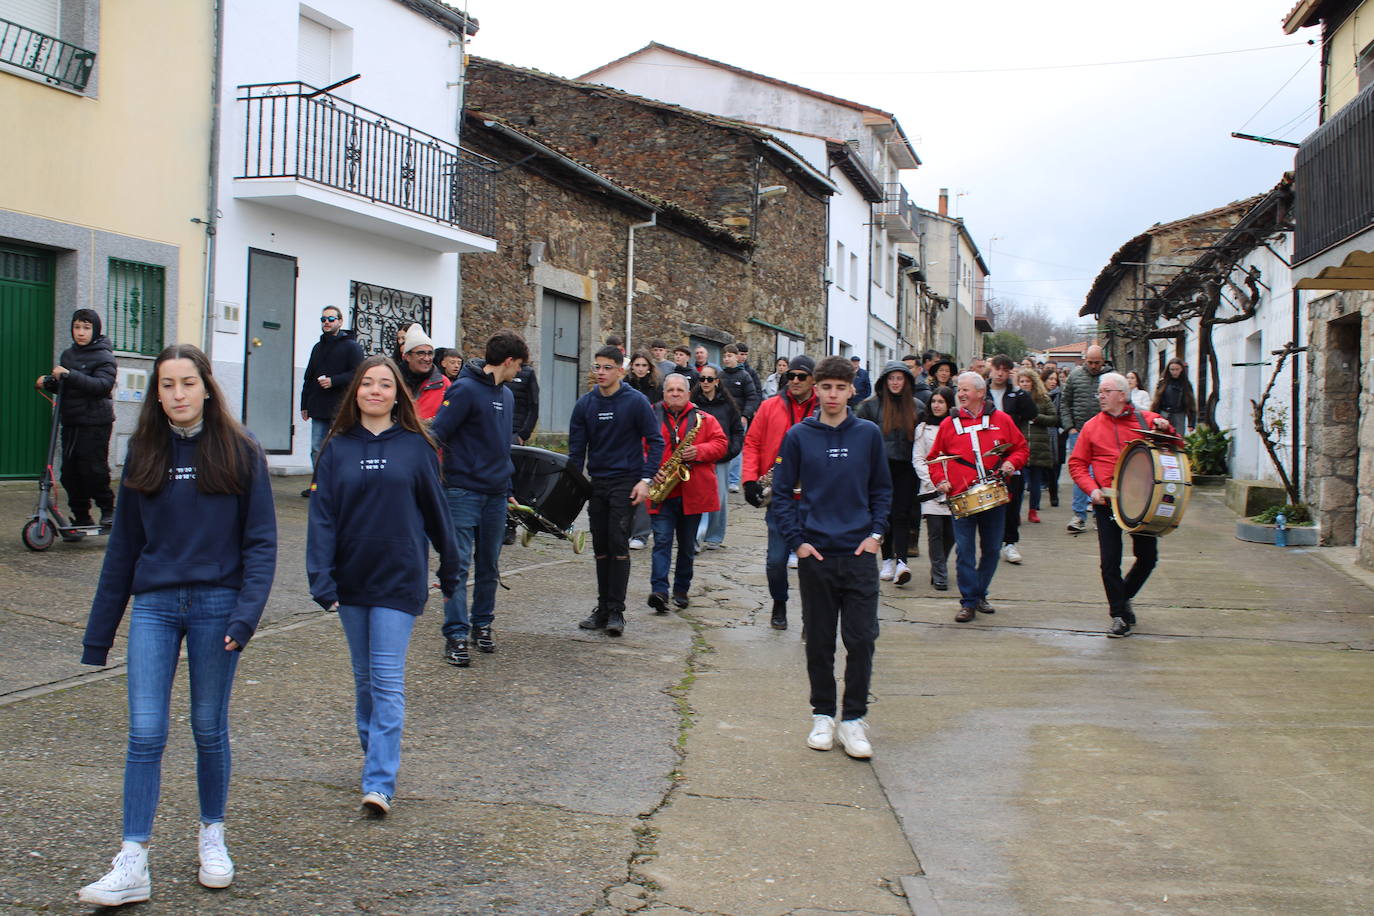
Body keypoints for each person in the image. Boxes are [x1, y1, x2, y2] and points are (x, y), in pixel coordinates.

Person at [78, 345, 276, 906]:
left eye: (188, 383)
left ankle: (212, 834)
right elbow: (123, 551)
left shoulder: (241, 451)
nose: (179, 394)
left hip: (219, 607)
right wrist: (100, 635)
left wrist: (247, 615)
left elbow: (261, 542)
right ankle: (133, 857)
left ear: (207, 387)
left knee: (208, 726)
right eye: (167, 385)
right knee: (145, 731)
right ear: (156, 392)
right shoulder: (144, 451)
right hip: (155, 608)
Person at [307, 355, 458, 816]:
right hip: (352, 580)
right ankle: (375, 758)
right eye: (367, 383)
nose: (375, 390)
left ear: (398, 394)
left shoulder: (416, 447)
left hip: (399, 577)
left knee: (388, 681)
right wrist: (321, 577)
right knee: (365, 683)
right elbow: (323, 518)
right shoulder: (336, 447)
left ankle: (379, 782)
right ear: (355, 393)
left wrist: (451, 570)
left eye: (384, 384)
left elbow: (438, 515)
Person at [772, 356, 891, 760]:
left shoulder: (868, 434)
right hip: (816, 554)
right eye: (826, 387)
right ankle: (823, 715)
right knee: (820, 642)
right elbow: (783, 493)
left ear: (852, 389)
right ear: (816, 390)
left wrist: (876, 535)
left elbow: (882, 490)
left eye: (841, 387)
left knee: (861, 640)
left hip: (859, 554)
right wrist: (798, 542)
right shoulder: (798, 436)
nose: (833, 394)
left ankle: (853, 720)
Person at [431, 331, 527, 667]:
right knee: (456, 566)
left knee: (489, 566)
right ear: (509, 361)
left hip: (496, 494)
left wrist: (509, 487)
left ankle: (482, 625)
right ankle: (455, 635)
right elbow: (436, 433)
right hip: (462, 491)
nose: (520, 372)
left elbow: (502, 447)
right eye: (520, 365)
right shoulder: (465, 390)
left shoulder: (508, 395)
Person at [1069, 372, 1175, 637]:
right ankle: (1119, 615)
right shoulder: (1092, 426)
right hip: (1107, 501)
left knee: (1148, 558)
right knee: (1109, 562)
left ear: (1122, 394)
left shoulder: (1147, 420)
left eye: (1106, 391)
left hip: (1143, 501)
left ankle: (1123, 597)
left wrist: (1167, 430)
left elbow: (1177, 447)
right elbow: (1077, 464)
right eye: (1099, 392)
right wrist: (1091, 490)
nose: (1101, 396)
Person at [570, 346, 664, 636]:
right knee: (600, 547)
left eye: (607, 367)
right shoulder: (585, 404)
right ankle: (601, 608)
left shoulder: (635, 402)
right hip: (597, 481)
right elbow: (575, 453)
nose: (601, 372)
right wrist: (572, 487)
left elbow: (655, 442)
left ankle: (616, 611)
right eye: (597, 366)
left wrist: (645, 480)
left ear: (620, 371)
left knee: (617, 542)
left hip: (626, 481)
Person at [926, 372, 1028, 623]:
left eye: (965, 390)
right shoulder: (949, 424)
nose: (960, 394)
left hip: (994, 496)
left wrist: (1010, 464)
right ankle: (969, 601)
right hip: (962, 497)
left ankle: (980, 592)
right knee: (965, 551)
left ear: (981, 393)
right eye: (958, 390)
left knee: (992, 549)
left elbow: (1021, 447)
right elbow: (934, 457)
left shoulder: (1001, 420)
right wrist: (941, 480)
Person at [742, 355, 819, 629]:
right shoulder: (769, 406)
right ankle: (779, 602)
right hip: (781, 496)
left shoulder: (823, 409)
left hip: (815, 498)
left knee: (813, 563)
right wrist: (750, 480)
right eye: (791, 376)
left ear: (813, 380)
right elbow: (751, 442)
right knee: (776, 561)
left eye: (801, 376)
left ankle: (813, 615)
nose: (794, 380)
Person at [646, 373, 727, 612]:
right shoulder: (650, 416)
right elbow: (636, 446)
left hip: (692, 493)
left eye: (680, 390)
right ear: (663, 394)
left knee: (687, 545)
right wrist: (650, 471)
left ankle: (681, 590)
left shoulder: (704, 419)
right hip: (662, 491)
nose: (675, 394)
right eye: (670, 390)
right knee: (661, 541)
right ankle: (659, 591)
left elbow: (722, 444)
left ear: (688, 394)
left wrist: (699, 451)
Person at [37, 308, 117, 528]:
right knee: (69, 474)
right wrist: (49, 383)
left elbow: (102, 386)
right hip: (71, 421)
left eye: (86, 328)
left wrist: (69, 375)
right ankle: (81, 515)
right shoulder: (68, 355)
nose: (81, 332)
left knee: (93, 470)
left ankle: (108, 510)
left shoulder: (104, 356)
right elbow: (67, 386)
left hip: (95, 423)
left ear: (95, 330)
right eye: (77, 327)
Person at [855, 361, 925, 586]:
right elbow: (861, 438)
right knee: (883, 515)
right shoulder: (870, 406)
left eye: (900, 378)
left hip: (906, 468)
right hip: (880, 468)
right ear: (885, 381)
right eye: (892, 378)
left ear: (906, 381)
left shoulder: (916, 407)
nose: (895, 383)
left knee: (902, 515)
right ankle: (886, 560)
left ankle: (902, 562)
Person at [300, 305, 364, 497]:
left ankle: (340, 485)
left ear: (340, 321)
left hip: (341, 406)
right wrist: (304, 404)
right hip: (319, 405)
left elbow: (358, 373)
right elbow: (309, 377)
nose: (326, 322)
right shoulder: (318, 347)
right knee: (316, 447)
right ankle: (318, 484)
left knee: (340, 446)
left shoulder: (352, 347)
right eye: (323, 319)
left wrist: (334, 381)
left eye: (330, 319)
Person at [987, 355, 1036, 564]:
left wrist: (1018, 390)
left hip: (1010, 450)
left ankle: (1010, 542)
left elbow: (1032, 413)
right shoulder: (982, 391)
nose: (1000, 373)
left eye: (1005, 370)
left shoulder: (1016, 394)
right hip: (985, 451)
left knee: (1012, 498)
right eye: (997, 368)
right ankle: (991, 542)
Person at [692, 367, 744, 550]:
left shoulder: (728, 405)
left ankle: (714, 536)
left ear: (717, 381)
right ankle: (697, 536)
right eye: (702, 379)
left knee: (719, 498)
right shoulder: (693, 404)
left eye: (709, 379)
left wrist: (731, 451)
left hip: (721, 458)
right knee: (699, 498)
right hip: (698, 457)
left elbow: (737, 431)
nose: (705, 382)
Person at [1059, 344, 1109, 533]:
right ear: (1084, 360)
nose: (1093, 366)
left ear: (1103, 361)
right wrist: (1069, 427)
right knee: (1080, 474)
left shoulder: (1109, 378)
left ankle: (1100, 514)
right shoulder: (1075, 376)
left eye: (1097, 363)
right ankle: (1079, 516)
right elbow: (1065, 403)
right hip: (1079, 432)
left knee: (1101, 474)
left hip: (1103, 434)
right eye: (1090, 362)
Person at [912, 387, 955, 590]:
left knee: (951, 533)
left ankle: (941, 564)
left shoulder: (956, 427)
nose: (937, 406)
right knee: (935, 532)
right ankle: (939, 573)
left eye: (941, 402)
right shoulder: (923, 428)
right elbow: (919, 458)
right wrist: (932, 481)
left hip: (955, 488)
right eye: (934, 401)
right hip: (931, 488)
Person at [1017, 368, 1057, 524]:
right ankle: (1017, 512)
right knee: (1019, 483)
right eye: (1022, 381)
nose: (1025, 384)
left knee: (1035, 482)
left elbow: (1053, 418)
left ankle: (1033, 510)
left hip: (1039, 445)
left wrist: (1036, 417)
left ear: (1033, 383)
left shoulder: (1042, 399)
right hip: (1021, 444)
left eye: (1027, 381)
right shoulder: (1014, 399)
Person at [720, 344, 759, 492]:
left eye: (729, 356)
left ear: (737, 357)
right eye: (724, 356)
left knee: (736, 448)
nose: (726, 359)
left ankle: (733, 481)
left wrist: (745, 415)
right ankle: (722, 477)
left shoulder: (745, 376)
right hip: (723, 418)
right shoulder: (720, 375)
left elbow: (751, 397)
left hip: (739, 418)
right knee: (721, 446)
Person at [397, 324, 448, 420]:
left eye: (430, 353)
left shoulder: (444, 384)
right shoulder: (394, 381)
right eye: (420, 353)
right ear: (407, 356)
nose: (427, 358)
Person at [1151, 358, 1197, 436]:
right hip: (1163, 414)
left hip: (1179, 415)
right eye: (1172, 369)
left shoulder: (1186, 384)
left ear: (1181, 369)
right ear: (1168, 370)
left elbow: (1191, 403)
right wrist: (1153, 417)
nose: (1174, 372)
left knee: (1177, 439)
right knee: (1161, 438)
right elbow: (1156, 401)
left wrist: (1191, 423)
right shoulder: (1163, 382)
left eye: (1177, 369)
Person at [1041, 367, 1064, 507]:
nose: (1053, 382)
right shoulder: (1038, 395)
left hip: (1055, 433)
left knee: (1053, 467)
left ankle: (1053, 496)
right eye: (1050, 379)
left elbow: (1059, 416)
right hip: (1040, 432)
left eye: (1055, 379)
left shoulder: (1060, 395)